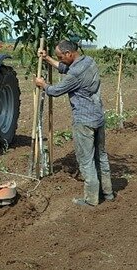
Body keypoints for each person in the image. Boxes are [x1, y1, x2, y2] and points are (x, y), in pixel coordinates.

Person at [34, 40, 115, 207]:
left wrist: (43, 85)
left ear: (69, 54)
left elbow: (56, 91)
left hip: (84, 121)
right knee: (101, 156)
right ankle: (108, 193)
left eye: (60, 57)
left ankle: (91, 199)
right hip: (98, 116)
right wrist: (48, 58)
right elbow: (67, 68)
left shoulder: (75, 74)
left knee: (86, 160)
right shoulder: (89, 61)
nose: (60, 60)